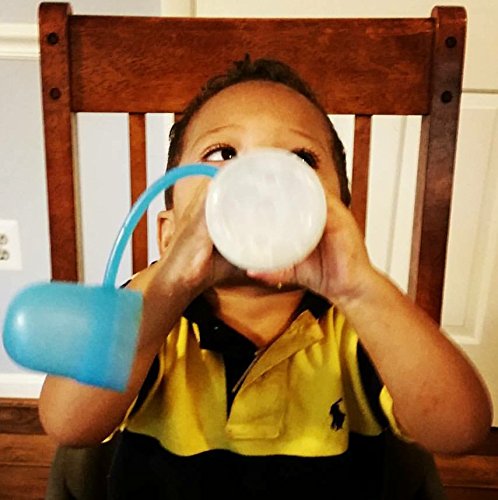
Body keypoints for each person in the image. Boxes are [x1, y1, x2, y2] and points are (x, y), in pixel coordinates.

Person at [40, 57, 492, 499]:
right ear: (169, 232)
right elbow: (67, 423)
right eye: (224, 154)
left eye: (300, 159)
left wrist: (361, 289)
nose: (259, 181)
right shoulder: (151, 317)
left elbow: (461, 431)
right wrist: (167, 287)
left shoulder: (359, 325)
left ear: (338, 220)